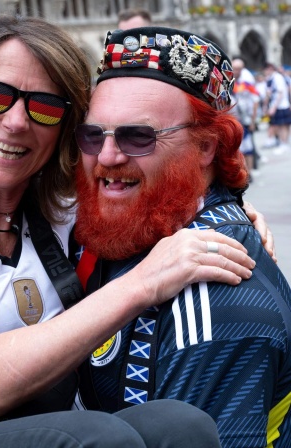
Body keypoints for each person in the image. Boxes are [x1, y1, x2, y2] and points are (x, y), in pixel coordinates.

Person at [0, 15, 250, 447]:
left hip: (44, 426)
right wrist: (142, 284)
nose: (17, 121)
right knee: (100, 436)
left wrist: (240, 220)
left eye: (44, 105)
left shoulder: (65, 213)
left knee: (182, 426)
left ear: (65, 128)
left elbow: (159, 191)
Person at [68, 27, 291, 448]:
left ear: (206, 146)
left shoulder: (214, 298)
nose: (108, 157)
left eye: (139, 136)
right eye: (92, 135)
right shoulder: (121, 224)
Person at [232, 57, 260, 180]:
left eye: (239, 69)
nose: (237, 71)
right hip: (233, 120)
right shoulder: (229, 83)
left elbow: (255, 101)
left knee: (248, 147)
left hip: (246, 120)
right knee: (238, 148)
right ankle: (243, 173)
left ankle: (249, 173)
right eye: (235, 69)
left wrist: (253, 121)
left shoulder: (247, 84)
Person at [263, 62, 291, 154]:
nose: (265, 72)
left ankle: (283, 144)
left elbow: (280, 93)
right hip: (279, 105)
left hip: (281, 105)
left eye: (266, 70)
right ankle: (283, 143)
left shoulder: (277, 77)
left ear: (270, 69)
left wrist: (274, 107)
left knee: (282, 126)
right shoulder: (271, 78)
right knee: (282, 125)